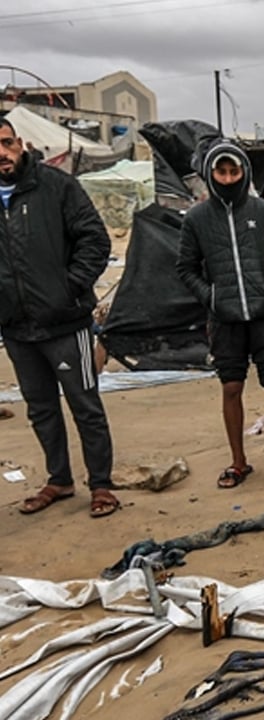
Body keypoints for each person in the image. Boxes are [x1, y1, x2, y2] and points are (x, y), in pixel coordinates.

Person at [176, 140, 264, 487]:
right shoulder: (198, 218)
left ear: (242, 172)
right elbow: (186, 267)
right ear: (211, 174)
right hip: (224, 319)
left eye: (234, 170)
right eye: (221, 171)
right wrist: (211, 297)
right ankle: (239, 463)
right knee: (231, 387)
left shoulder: (263, 212)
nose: (227, 178)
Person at [0, 118, 120, 518]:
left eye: (5, 143)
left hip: (66, 323)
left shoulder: (55, 187)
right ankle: (60, 479)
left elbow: (95, 239)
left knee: (84, 404)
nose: (2, 154)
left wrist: (67, 287)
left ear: (19, 143)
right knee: (41, 408)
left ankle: (101, 485)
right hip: (17, 328)